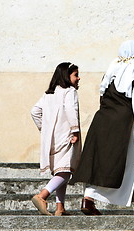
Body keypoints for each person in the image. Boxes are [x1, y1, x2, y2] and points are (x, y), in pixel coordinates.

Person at [70, 40, 134, 215]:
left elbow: (103, 96)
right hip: (126, 124)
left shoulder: (111, 72)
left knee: (103, 162)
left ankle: (87, 200)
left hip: (103, 121)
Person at [31, 62, 81, 216]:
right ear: (67, 76)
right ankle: (42, 196)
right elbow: (71, 110)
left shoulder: (49, 94)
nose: (78, 78)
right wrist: (75, 131)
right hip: (66, 137)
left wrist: (45, 129)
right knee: (65, 171)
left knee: (60, 171)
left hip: (52, 139)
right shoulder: (69, 91)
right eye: (75, 75)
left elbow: (34, 111)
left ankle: (60, 207)